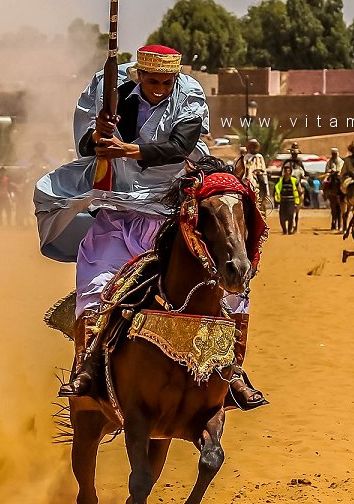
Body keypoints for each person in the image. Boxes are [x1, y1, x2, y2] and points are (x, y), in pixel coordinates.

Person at [35, 45, 263, 408]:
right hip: (119, 210)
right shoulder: (112, 91)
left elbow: (179, 146)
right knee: (92, 284)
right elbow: (86, 146)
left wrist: (126, 149)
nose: (159, 88)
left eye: (166, 81)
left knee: (231, 277)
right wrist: (98, 136)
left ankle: (233, 371)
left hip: (174, 213)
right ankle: (87, 365)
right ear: (138, 75)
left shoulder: (189, 96)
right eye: (152, 81)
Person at [241, 138, 268, 217]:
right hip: (247, 177)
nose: (252, 148)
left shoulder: (259, 157)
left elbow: (261, 168)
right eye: (251, 146)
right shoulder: (245, 157)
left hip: (257, 176)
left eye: (254, 146)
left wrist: (257, 171)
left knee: (262, 183)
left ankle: (264, 195)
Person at [274, 162, 301, 234]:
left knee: (290, 216)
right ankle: (284, 230)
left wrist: (297, 201)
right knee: (282, 217)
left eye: (288, 171)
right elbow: (277, 189)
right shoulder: (280, 180)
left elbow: (298, 190)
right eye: (285, 171)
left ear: (290, 172)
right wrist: (277, 200)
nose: (286, 172)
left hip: (291, 201)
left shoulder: (294, 180)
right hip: (283, 200)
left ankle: (289, 230)